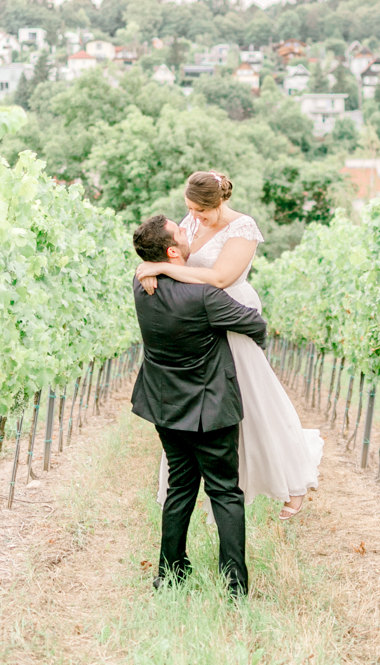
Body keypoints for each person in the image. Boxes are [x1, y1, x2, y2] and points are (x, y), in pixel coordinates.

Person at [136, 171, 323, 520]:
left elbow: (221, 278)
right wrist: (149, 268)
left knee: (254, 396)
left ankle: (293, 481)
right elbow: (174, 256)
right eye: (188, 209)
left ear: (218, 202)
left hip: (230, 313)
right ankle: (208, 486)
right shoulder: (189, 226)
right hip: (198, 318)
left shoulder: (243, 229)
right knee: (208, 404)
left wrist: (161, 267)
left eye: (200, 211)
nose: (194, 217)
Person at [129, 214, 267, 597]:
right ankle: (234, 585)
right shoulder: (205, 296)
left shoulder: (142, 286)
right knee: (225, 491)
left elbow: (152, 271)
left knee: (180, 487)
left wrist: (149, 266)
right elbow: (255, 324)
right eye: (181, 230)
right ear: (173, 250)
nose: (188, 230)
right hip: (211, 408)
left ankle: (169, 573)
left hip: (164, 404)